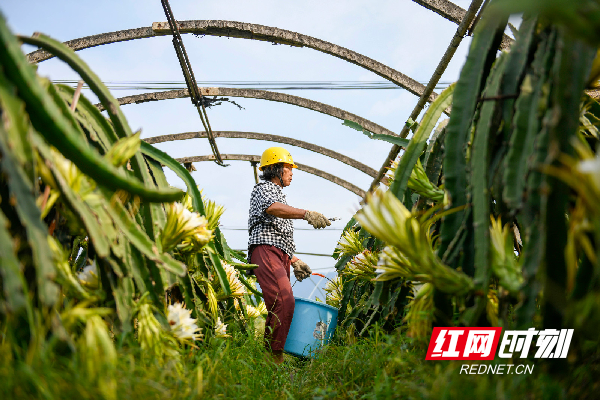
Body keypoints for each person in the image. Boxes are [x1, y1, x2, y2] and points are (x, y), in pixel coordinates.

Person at [247, 147, 331, 364]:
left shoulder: (280, 194)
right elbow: (272, 208)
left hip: (278, 253)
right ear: (275, 168)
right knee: (283, 300)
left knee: (281, 303)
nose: (292, 173)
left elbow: (278, 234)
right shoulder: (263, 188)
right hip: (265, 250)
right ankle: (273, 358)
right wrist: (306, 214)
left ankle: (269, 357)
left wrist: (294, 260)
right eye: (288, 168)